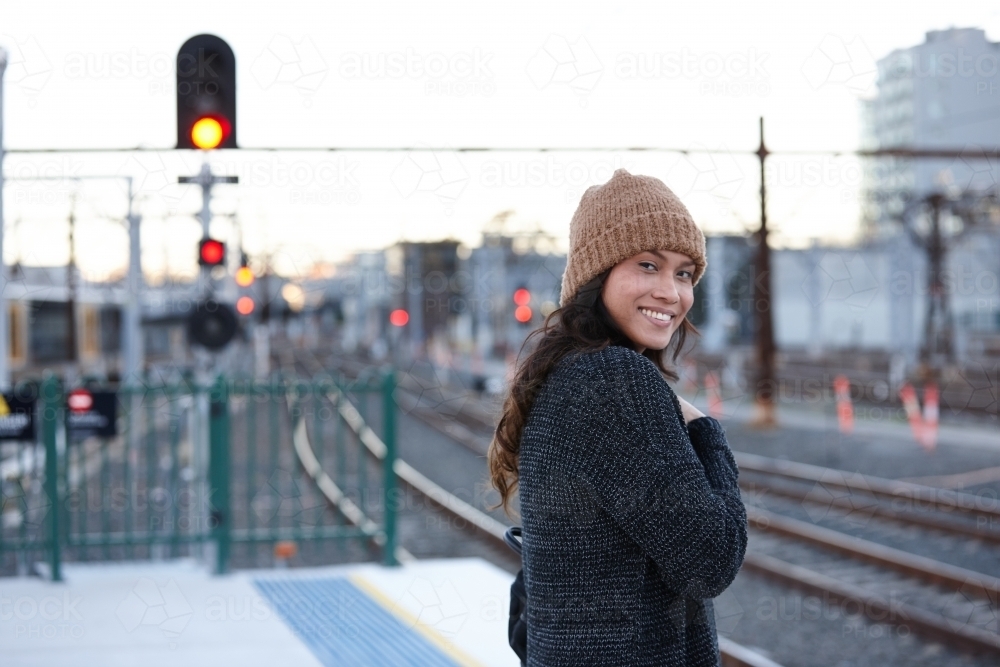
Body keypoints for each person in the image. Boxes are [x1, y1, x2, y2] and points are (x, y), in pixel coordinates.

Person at [488, 169, 748, 666]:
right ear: (596, 275)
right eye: (648, 265)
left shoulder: (565, 373)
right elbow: (711, 561)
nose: (671, 292)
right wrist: (704, 432)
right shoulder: (614, 380)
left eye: (684, 273)